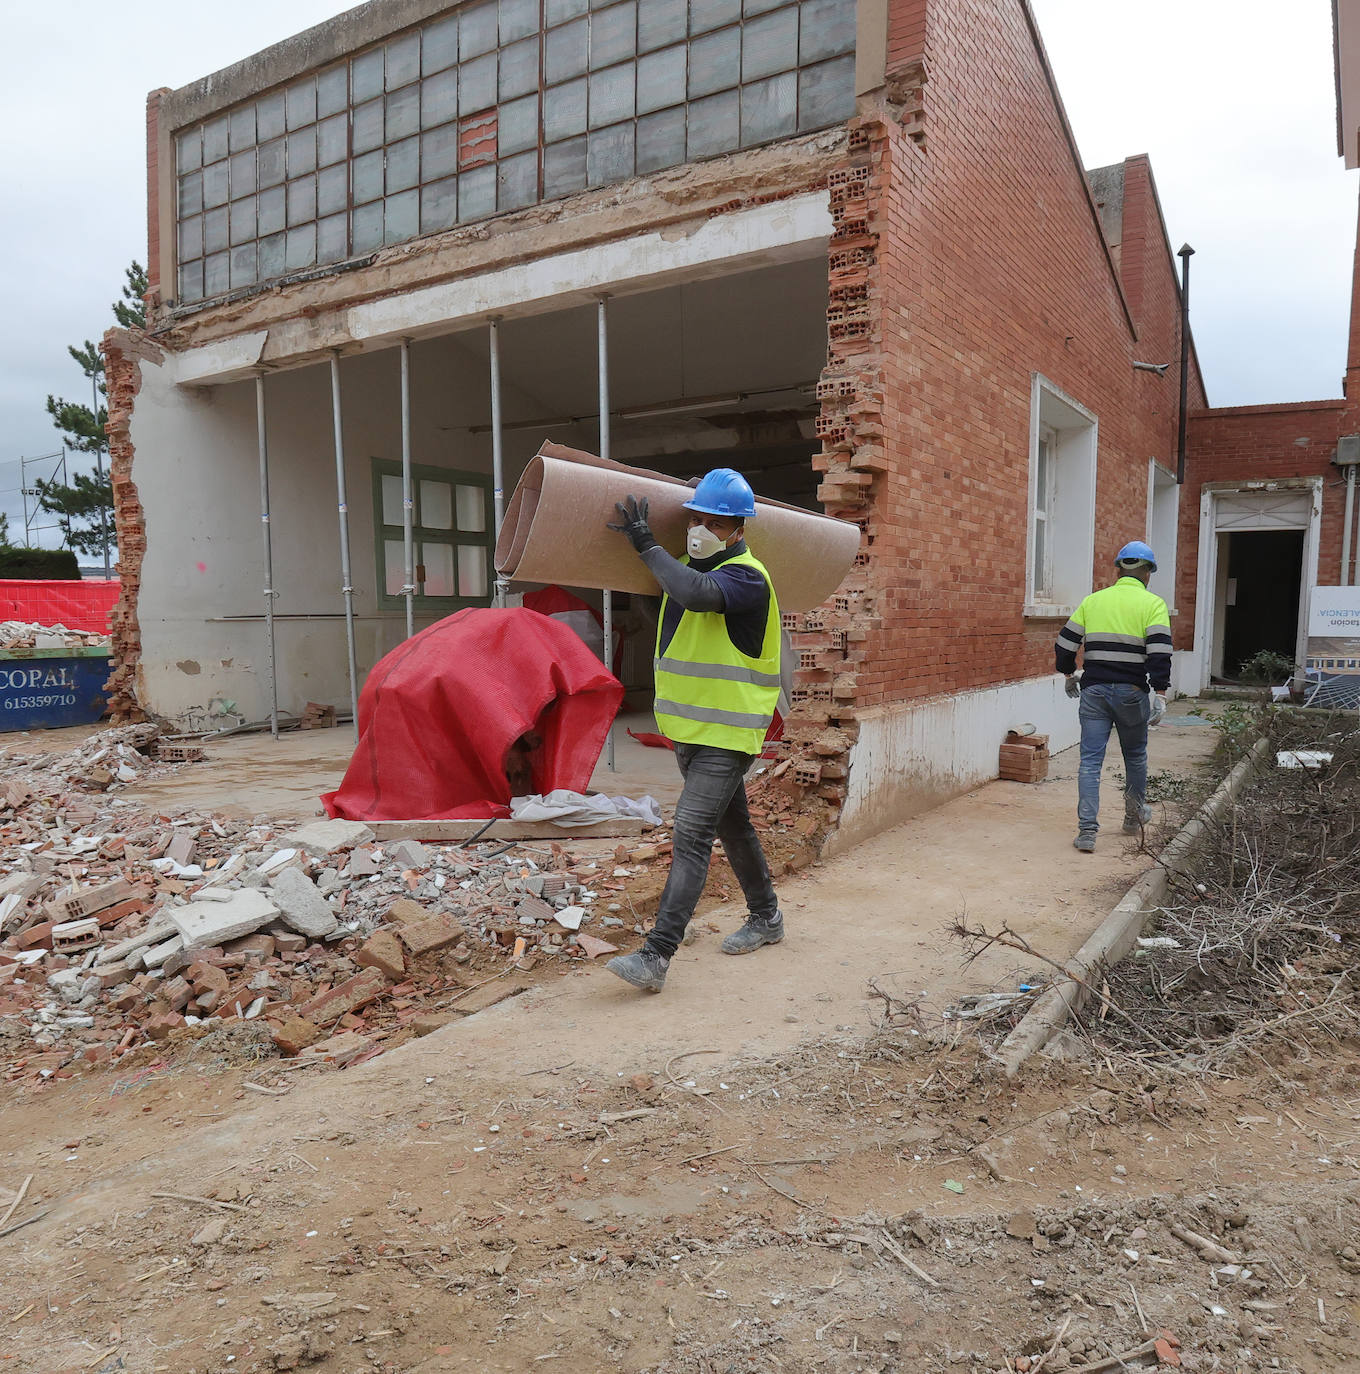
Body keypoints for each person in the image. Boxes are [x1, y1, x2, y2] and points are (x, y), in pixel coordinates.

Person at [603, 468, 785, 993]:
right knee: (734, 827)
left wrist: (644, 545)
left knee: (691, 834)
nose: (702, 527)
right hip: (689, 730)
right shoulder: (685, 569)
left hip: (729, 735)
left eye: (715, 521)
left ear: (738, 529)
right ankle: (767, 916)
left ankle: (656, 955)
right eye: (696, 518)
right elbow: (663, 602)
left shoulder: (747, 577)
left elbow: (700, 594)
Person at [1054, 541, 1172, 852]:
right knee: (1134, 756)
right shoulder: (1153, 605)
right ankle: (1133, 818)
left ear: (1118, 570)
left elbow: (1065, 645)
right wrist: (1160, 693)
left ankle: (1087, 832)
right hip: (1132, 693)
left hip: (1094, 691)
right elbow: (1160, 653)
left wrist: (1069, 674)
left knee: (1090, 761)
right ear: (1148, 573)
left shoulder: (1093, 601)